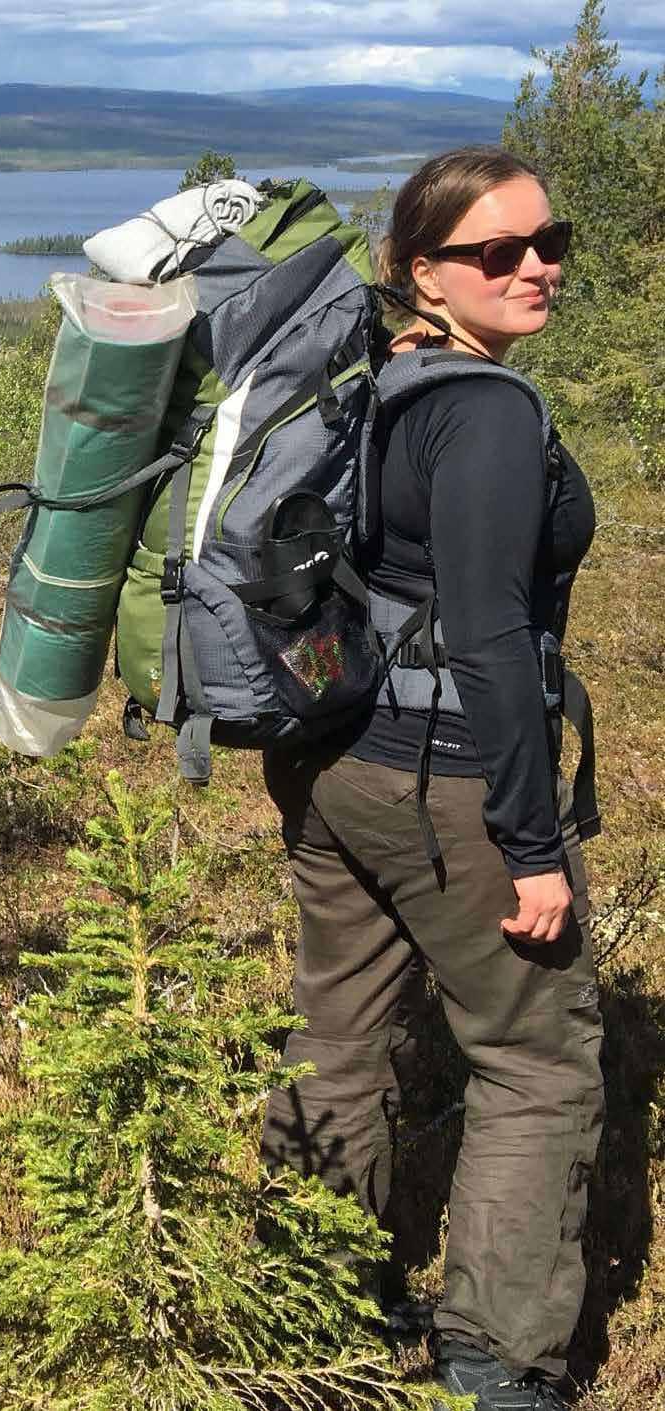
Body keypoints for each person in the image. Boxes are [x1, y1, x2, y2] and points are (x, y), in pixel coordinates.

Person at [259, 146, 605, 1411]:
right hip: (451, 783)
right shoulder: (490, 413)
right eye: (498, 252)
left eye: (550, 242)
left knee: (338, 1034)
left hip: (336, 764)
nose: (537, 268)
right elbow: (494, 637)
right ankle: (496, 1357)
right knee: (535, 1062)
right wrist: (532, 844)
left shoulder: (383, 378)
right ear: (424, 271)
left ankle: (299, 1313)